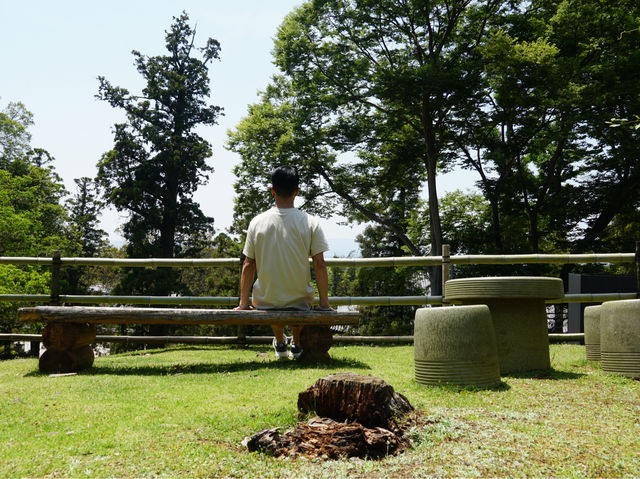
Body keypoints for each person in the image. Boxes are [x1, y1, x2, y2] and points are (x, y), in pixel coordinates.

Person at [235, 165, 332, 359]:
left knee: (272, 293)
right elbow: (320, 264)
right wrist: (324, 303)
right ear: (297, 191)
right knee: (296, 297)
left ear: (272, 190)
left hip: (266, 300)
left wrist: (243, 303)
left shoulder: (257, 222)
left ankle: (280, 341)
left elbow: (248, 264)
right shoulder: (311, 222)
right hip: (300, 300)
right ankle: (295, 343)